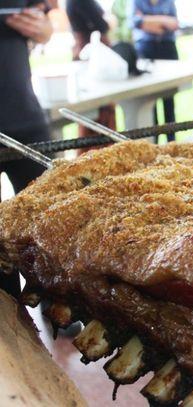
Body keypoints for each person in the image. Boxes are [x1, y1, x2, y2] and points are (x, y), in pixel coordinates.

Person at [0, 1, 53, 296]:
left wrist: (41, 30)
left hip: (26, 119)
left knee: (49, 223)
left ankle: (59, 308)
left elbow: (46, 25)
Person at [66, 0, 116, 153]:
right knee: (96, 116)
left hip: (90, 56)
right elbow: (103, 25)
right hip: (91, 57)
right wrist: (109, 21)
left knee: (99, 114)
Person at [130, 0, 179, 142]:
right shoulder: (137, 2)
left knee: (169, 99)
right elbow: (135, 22)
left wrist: (147, 20)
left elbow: (174, 23)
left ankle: (172, 141)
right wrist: (163, 20)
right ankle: (154, 142)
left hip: (167, 49)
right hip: (146, 49)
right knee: (151, 100)